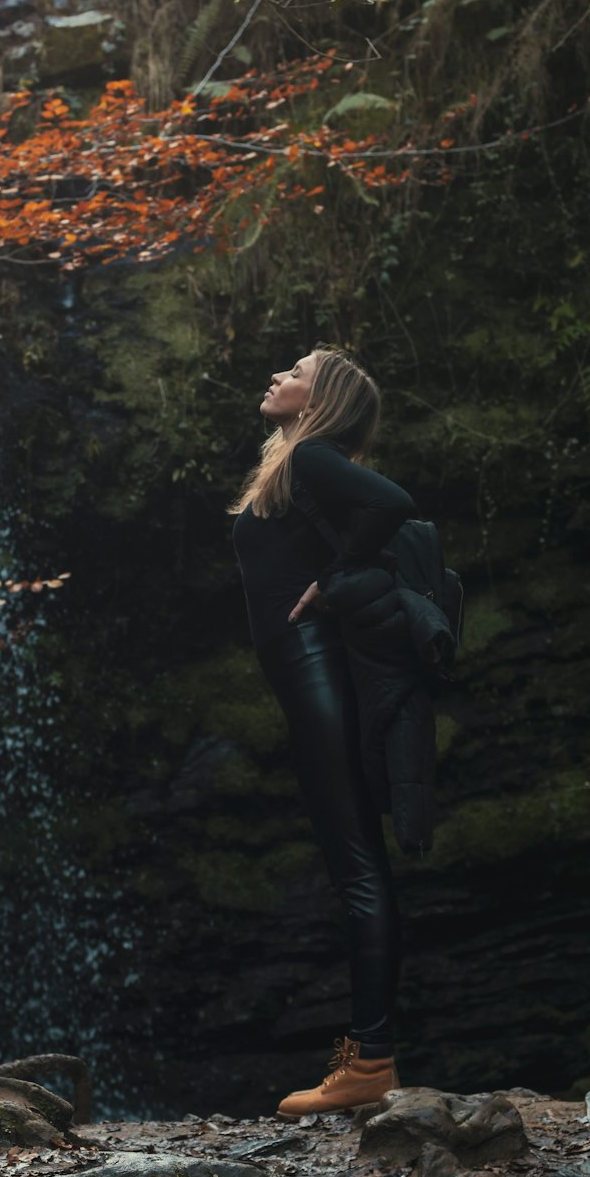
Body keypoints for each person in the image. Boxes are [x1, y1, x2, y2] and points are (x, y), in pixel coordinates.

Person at [230, 345, 420, 1119]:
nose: (276, 372)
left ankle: (368, 1060)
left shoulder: (312, 456)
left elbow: (394, 500)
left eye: (297, 369)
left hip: (318, 680)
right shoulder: (296, 466)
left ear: (323, 398)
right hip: (310, 682)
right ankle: (366, 1056)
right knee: (357, 869)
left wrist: (334, 579)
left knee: (359, 870)